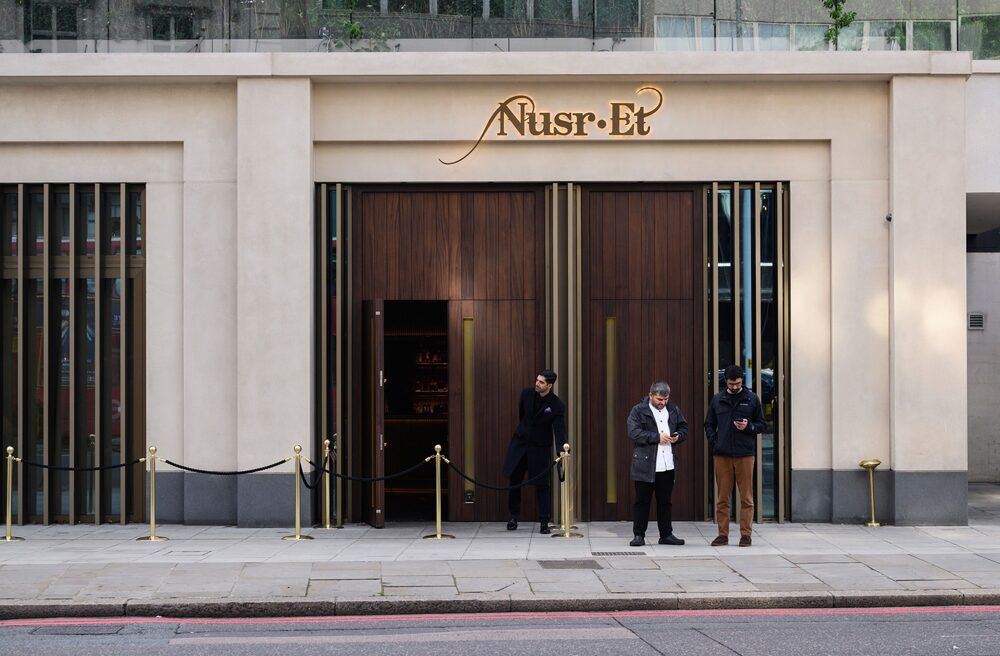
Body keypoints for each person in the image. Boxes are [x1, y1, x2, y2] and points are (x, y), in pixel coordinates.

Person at [704, 364, 766, 547]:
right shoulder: (717, 399)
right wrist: (714, 441)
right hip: (722, 454)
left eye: (737, 384)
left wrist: (748, 426)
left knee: (746, 497)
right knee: (722, 498)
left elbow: (762, 425)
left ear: (742, 381)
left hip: (745, 454)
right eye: (731, 384)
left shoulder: (752, 399)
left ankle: (746, 535)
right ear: (726, 382)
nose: (734, 387)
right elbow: (708, 423)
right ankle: (722, 535)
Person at [502, 369, 566, 534]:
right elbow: (522, 415)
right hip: (521, 443)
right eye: (537, 380)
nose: (537, 383)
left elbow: (559, 429)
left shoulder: (556, 405)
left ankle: (544, 521)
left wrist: (561, 449)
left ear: (550, 385)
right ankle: (514, 516)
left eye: (541, 382)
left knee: (542, 485)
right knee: (515, 480)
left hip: (540, 447)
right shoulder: (527, 394)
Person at [627, 381, 687, 547]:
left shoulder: (673, 409)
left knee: (665, 502)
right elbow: (633, 432)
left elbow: (684, 427)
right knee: (642, 501)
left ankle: (666, 534)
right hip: (645, 464)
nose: (663, 402)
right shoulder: (638, 410)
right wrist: (656, 437)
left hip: (667, 463)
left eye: (665, 399)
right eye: (660, 399)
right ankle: (638, 535)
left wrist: (677, 437)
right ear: (651, 395)